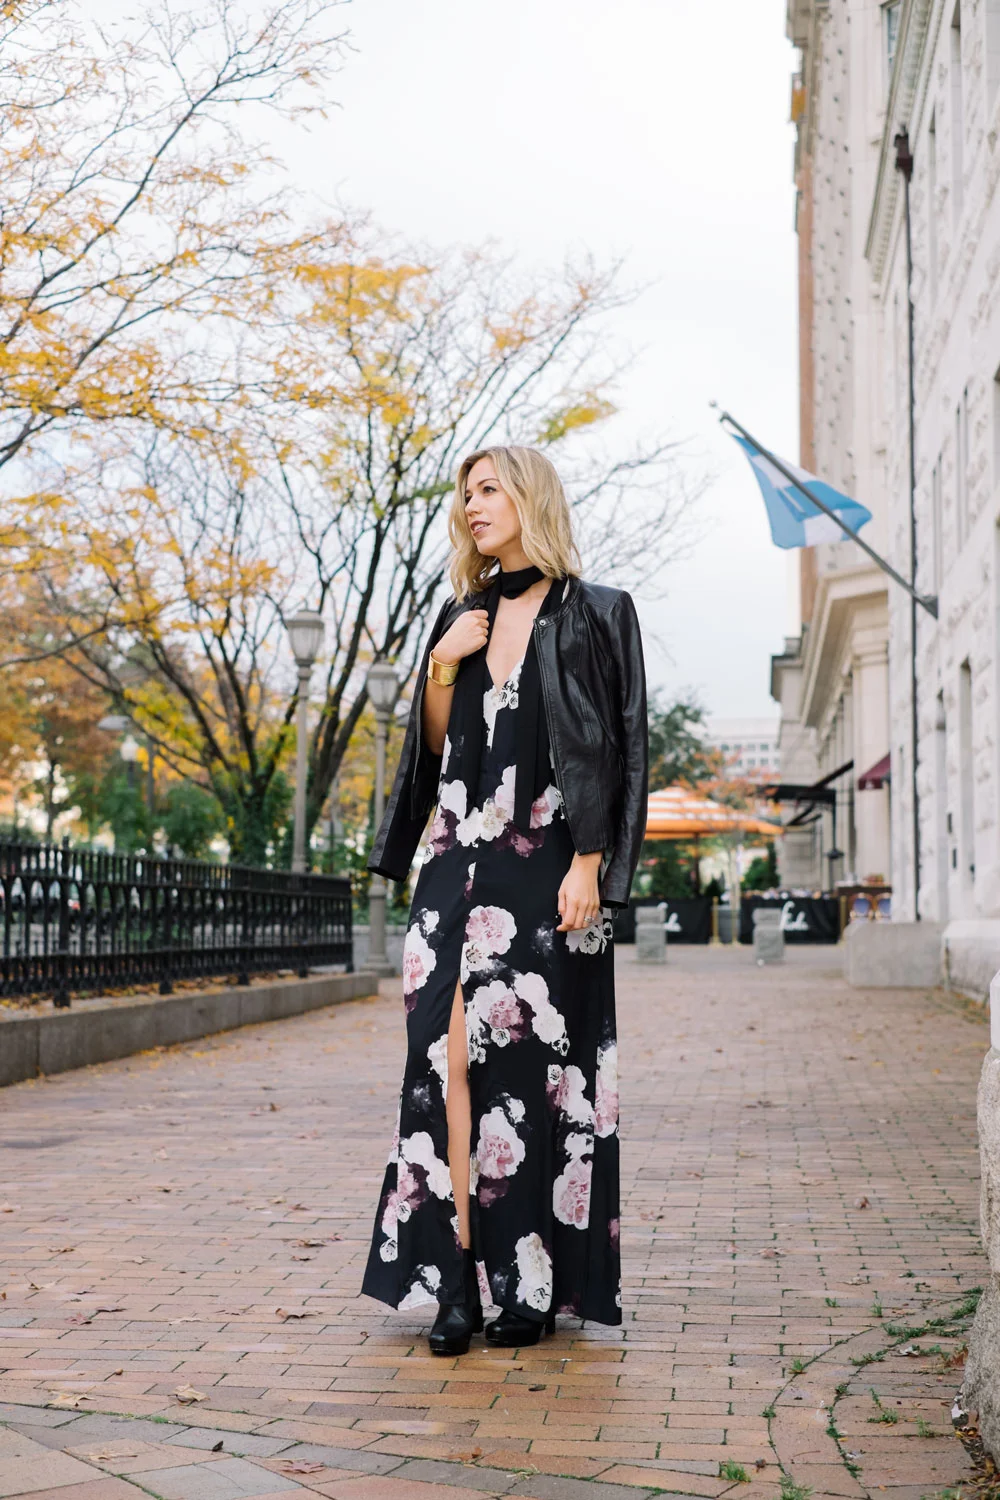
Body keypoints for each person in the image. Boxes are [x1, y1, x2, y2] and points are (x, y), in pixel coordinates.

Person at [362, 444, 647, 1355]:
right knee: (440, 1059)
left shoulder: (599, 613)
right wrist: (442, 666)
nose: (473, 505)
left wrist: (592, 863)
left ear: (531, 499)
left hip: (548, 863)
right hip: (457, 862)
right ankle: (455, 1284)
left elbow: (624, 748)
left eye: (490, 489)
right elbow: (438, 752)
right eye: (467, 492)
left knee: (527, 1076)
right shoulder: (460, 614)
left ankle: (526, 1284)